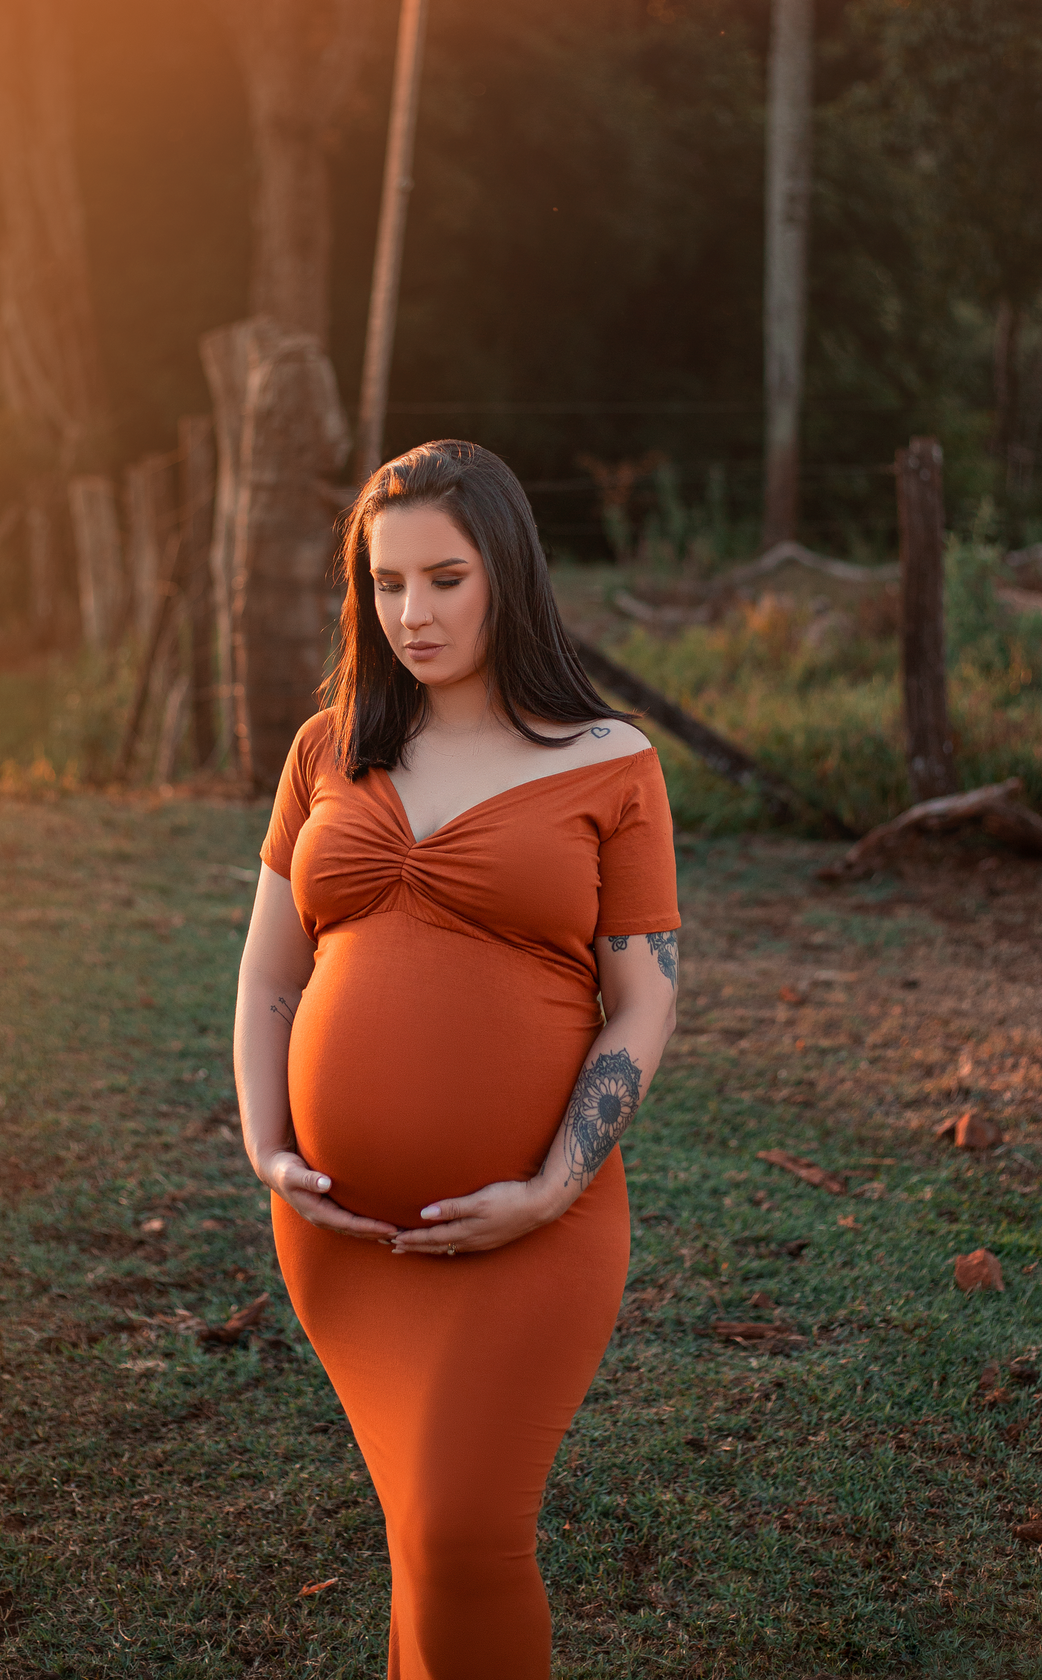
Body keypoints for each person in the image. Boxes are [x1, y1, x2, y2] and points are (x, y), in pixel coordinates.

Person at [233, 439, 680, 1679]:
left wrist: (551, 1186)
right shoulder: (330, 749)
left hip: (530, 1230)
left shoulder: (610, 763)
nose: (413, 615)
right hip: (340, 1240)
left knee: (467, 1535)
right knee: (422, 1539)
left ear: (509, 577)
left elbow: (643, 1002)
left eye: (446, 578)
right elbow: (270, 977)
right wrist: (270, 1145)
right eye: (387, 585)